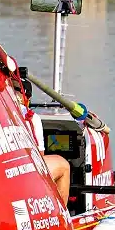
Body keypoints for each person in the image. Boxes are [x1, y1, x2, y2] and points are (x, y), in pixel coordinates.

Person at [14, 72, 70, 203]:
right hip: (22, 171)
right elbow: (39, 156)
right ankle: (61, 216)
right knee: (63, 165)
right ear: (27, 97)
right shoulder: (32, 118)